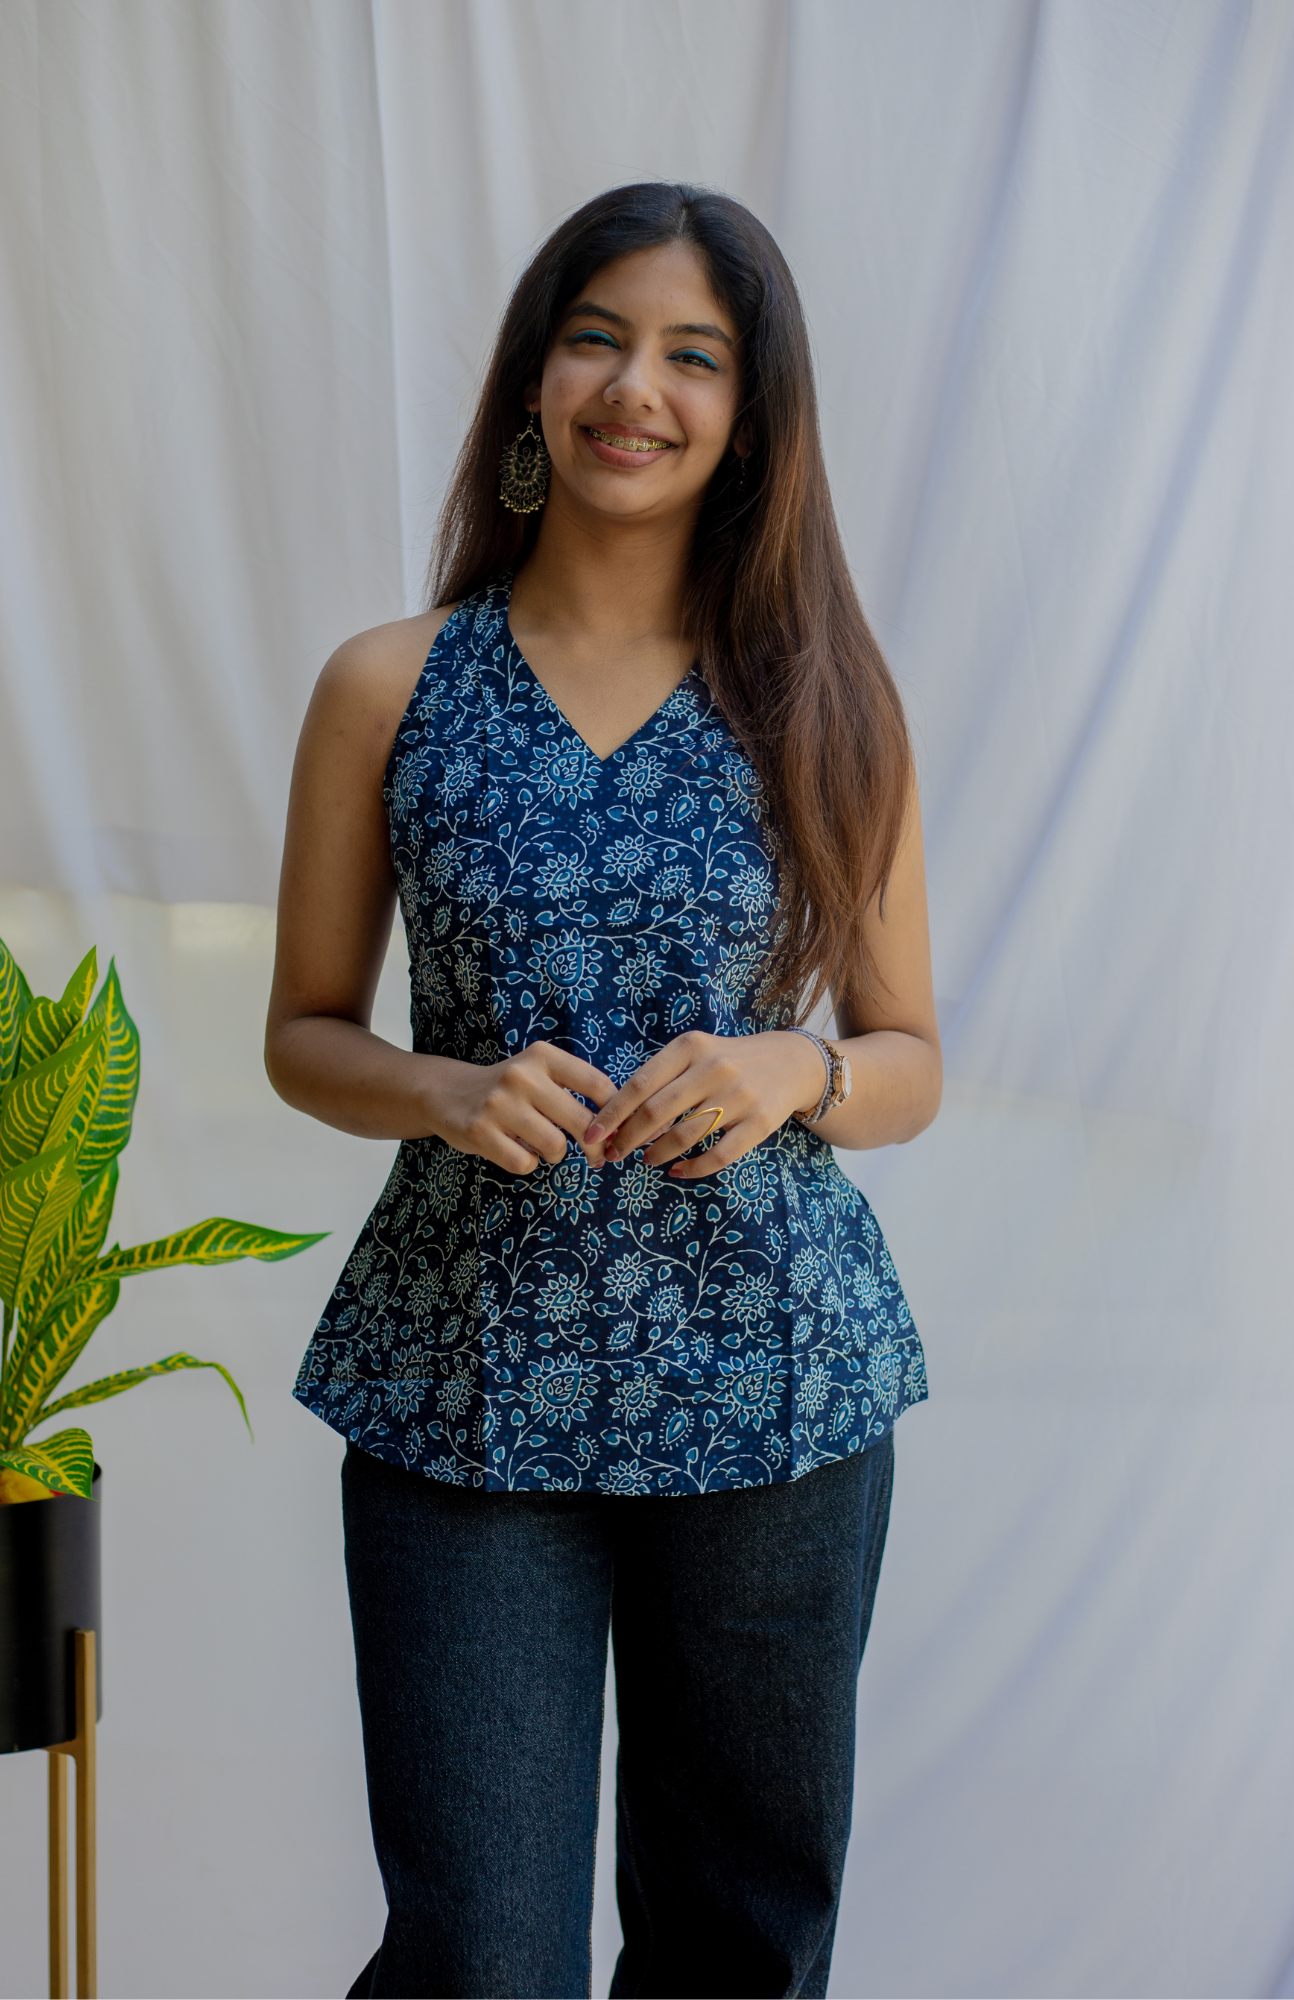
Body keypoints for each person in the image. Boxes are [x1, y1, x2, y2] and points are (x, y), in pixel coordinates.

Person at [266, 181, 941, 2000]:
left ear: (748, 419)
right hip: (462, 1378)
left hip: (775, 1384)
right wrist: (437, 1090)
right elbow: (304, 1031)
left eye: (692, 356)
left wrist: (796, 1064)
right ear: (530, 382)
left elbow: (907, 1060)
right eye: (596, 336)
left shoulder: (826, 700)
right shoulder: (387, 687)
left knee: (738, 1943)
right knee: (481, 1957)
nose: (634, 387)